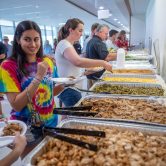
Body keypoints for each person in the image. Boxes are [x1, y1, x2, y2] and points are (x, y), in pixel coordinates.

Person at [0, 20, 64, 127]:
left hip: (51, 121)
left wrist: (66, 84)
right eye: (27, 39)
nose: (33, 44)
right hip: (26, 127)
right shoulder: (8, 66)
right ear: (18, 40)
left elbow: (51, 92)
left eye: (36, 39)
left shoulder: (46, 61)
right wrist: (38, 77)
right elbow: (17, 105)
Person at [55, 18, 112, 106]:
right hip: (69, 88)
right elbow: (78, 62)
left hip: (71, 87)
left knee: (67, 116)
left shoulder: (69, 44)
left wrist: (88, 71)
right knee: (74, 116)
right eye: (80, 30)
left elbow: (73, 68)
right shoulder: (64, 44)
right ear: (71, 30)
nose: (82, 34)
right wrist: (102, 62)